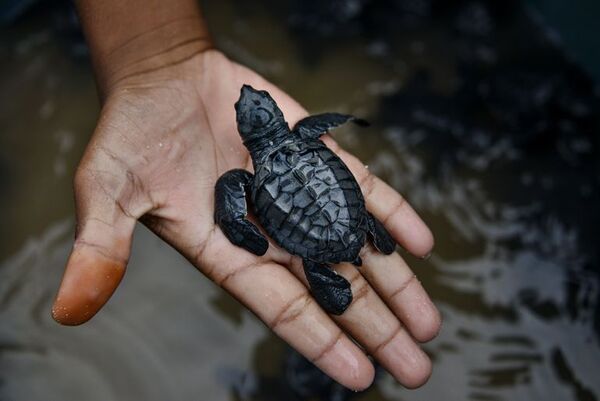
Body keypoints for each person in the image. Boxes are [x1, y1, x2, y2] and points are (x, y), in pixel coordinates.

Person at [51, 0, 441, 391]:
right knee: (339, 237)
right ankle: (368, 235)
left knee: (308, 259)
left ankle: (331, 276)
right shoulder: (304, 133)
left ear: (245, 132)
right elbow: (321, 127)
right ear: (274, 115)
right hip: (350, 217)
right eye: (249, 103)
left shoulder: (243, 180)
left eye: (253, 101)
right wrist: (350, 120)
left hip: (309, 238)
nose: (249, 97)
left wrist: (246, 235)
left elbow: (235, 218)